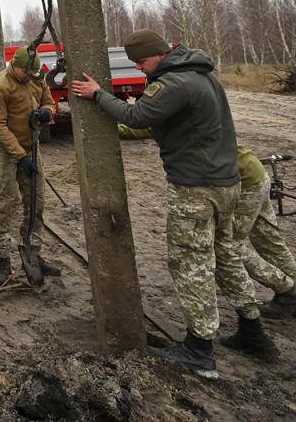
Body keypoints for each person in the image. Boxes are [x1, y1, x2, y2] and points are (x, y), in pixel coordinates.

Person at [72, 29, 277, 378]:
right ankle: (253, 331)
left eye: (141, 61)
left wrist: (98, 95)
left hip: (196, 188)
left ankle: (199, 350)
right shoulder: (202, 73)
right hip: (227, 183)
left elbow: (136, 116)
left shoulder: (175, 83)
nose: (139, 68)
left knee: (190, 262)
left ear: (159, 54)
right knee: (226, 255)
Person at [120, 126, 296, 323]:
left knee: (228, 246)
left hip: (240, 183)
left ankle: (289, 291)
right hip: (253, 172)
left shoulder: (176, 110)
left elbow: (138, 127)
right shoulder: (206, 109)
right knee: (270, 241)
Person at [0, 46, 60, 285]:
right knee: (4, 204)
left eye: (33, 74)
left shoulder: (36, 78)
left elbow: (49, 103)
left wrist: (46, 113)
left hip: (31, 148)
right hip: (3, 152)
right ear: (15, 66)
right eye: (26, 73)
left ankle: (33, 254)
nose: (30, 77)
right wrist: (20, 157)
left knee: (36, 203)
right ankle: (2, 259)